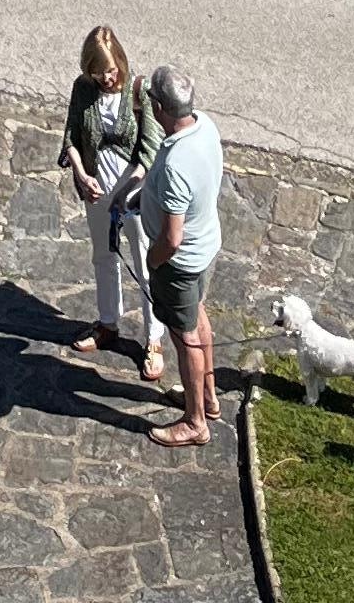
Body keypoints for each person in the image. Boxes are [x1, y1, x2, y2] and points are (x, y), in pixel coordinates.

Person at [60, 26, 164, 380]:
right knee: (103, 255)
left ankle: (153, 339)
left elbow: (150, 148)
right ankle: (108, 323)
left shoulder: (139, 92)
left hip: (133, 192)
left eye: (109, 70)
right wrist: (80, 173)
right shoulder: (83, 89)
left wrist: (127, 191)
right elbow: (71, 136)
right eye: (97, 72)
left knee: (144, 262)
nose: (105, 78)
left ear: (119, 60)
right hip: (97, 190)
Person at [141, 67, 224, 448]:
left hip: (180, 262)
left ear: (160, 108)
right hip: (206, 246)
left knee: (184, 335)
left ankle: (194, 422)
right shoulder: (205, 126)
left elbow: (172, 238)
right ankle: (207, 398)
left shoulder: (175, 165)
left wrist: (153, 261)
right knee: (198, 315)